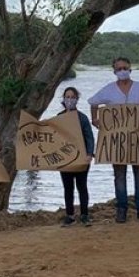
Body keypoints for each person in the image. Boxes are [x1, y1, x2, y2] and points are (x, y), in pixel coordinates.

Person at [89, 57, 139, 223]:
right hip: (117, 142)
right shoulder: (108, 90)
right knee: (119, 176)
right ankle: (121, 209)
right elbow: (93, 103)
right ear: (114, 71)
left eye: (125, 68)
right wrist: (95, 120)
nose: (122, 71)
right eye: (119, 68)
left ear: (130, 69)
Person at [57, 86, 95, 227]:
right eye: (67, 97)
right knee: (68, 188)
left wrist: (90, 154)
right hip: (65, 160)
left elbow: (89, 137)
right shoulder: (59, 117)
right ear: (64, 99)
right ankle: (70, 215)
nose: (70, 100)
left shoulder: (82, 118)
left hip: (81, 159)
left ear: (77, 99)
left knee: (82, 187)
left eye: (73, 97)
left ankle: (84, 215)